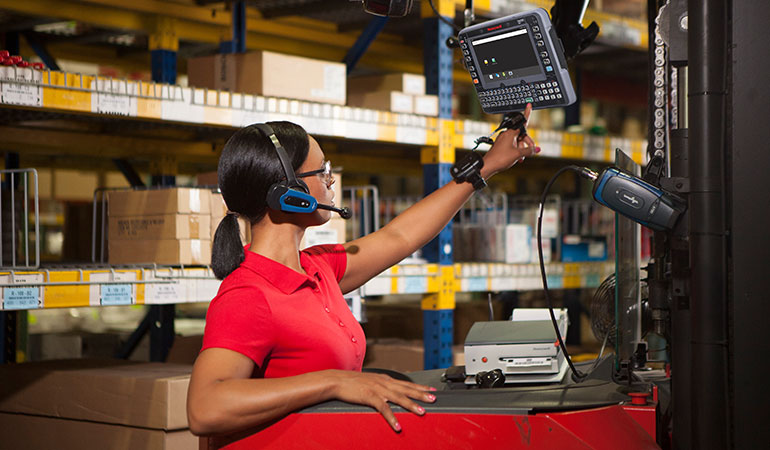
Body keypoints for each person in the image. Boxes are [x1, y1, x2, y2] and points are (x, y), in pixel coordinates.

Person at [187, 106, 539, 437]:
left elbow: (399, 236)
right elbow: (205, 408)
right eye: (323, 172)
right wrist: (333, 381)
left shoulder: (317, 268)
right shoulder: (249, 295)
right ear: (289, 192)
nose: (331, 181)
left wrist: (486, 166)